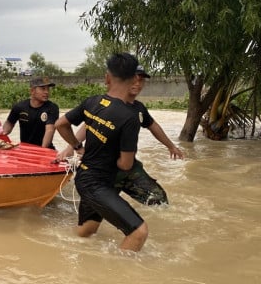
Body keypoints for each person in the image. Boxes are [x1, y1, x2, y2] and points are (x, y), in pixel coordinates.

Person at [54, 52, 150, 252]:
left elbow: (61, 124)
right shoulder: (130, 117)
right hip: (99, 184)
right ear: (134, 79)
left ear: (107, 77)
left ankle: (63, 253)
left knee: (87, 231)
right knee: (138, 232)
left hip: (84, 178)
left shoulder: (93, 102)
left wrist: (78, 147)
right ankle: (115, 280)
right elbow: (125, 164)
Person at [57, 66, 184, 205]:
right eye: (133, 79)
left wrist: (171, 146)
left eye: (141, 80)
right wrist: (72, 147)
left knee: (159, 200)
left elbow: (153, 126)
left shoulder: (139, 108)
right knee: (96, 214)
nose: (137, 84)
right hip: (103, 170)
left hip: (128, 167)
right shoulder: (106, 104)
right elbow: (88, 125)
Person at [2, 77, 60, 149]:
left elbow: (50, 130)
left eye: (48, 89)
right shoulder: (19, 107)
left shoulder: (52, 108)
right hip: (25, 149)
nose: (47, 92)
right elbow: (9, 123)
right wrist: (2, 135)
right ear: (32, 91)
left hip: (45, 149)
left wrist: (42, 150)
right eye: (43, 89)